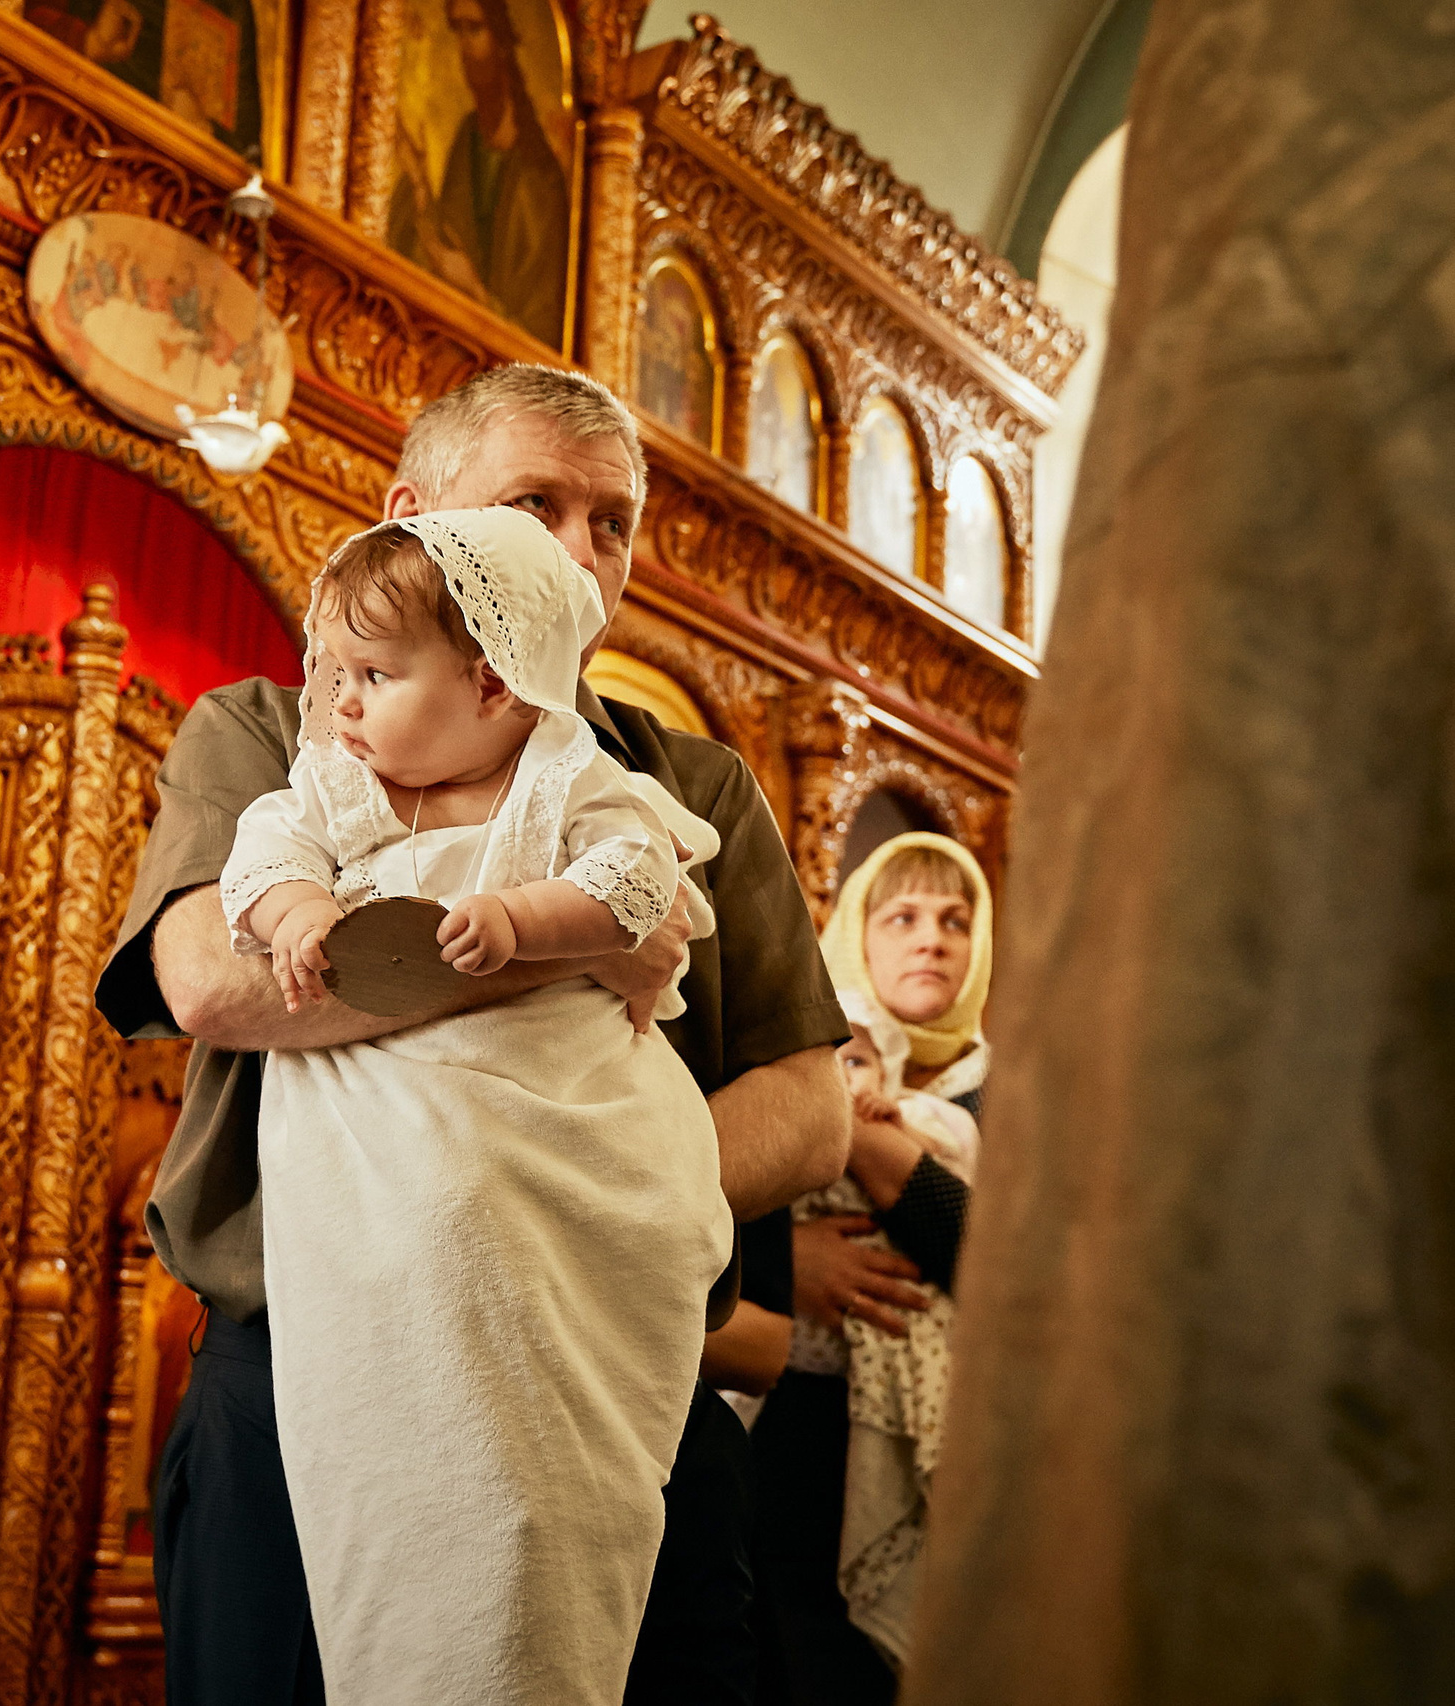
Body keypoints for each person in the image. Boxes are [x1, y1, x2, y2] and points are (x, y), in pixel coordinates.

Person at [94, 361, 853, 1706]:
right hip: (308, 1370)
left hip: (612, 1360)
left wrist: (590, 1188)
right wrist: (564, 942)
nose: (577, 546)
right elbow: (214, 978)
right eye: (532, 503)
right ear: (412, 517)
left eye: (611, 520)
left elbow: (810, 1102)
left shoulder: (686, 785)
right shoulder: (273, 733)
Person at [222, 507, 731, 1703]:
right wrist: (301, 915)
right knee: (411, 1504)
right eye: (334, 672)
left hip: (563, 1136)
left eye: (375, 675)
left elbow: (634, 878)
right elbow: (260, 859)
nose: (339, 701)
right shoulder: (337, 784)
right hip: (383, 1182)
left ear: (492, 681)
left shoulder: (565, 776)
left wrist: (519, 919)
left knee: (540, 1503)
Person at [752, 831, 991, 1704]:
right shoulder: (781, 1050)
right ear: (854, 933)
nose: (933, 940)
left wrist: (856, 1132)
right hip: (786, 1417)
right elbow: (702, 1211)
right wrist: (785, 1262)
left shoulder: (1005, 1093)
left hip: (937, 1426)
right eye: (903, 918)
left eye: (957, 921)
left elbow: (990, 1261)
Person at [386, 0, 569, 343]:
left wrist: (475, 290)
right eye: (457, 30)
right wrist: (418, 182)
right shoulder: (468, 138)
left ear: (502, 42)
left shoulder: (540, 180)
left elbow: (539, 336)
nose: (463, 47)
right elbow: (445, 243)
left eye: (475, 29)